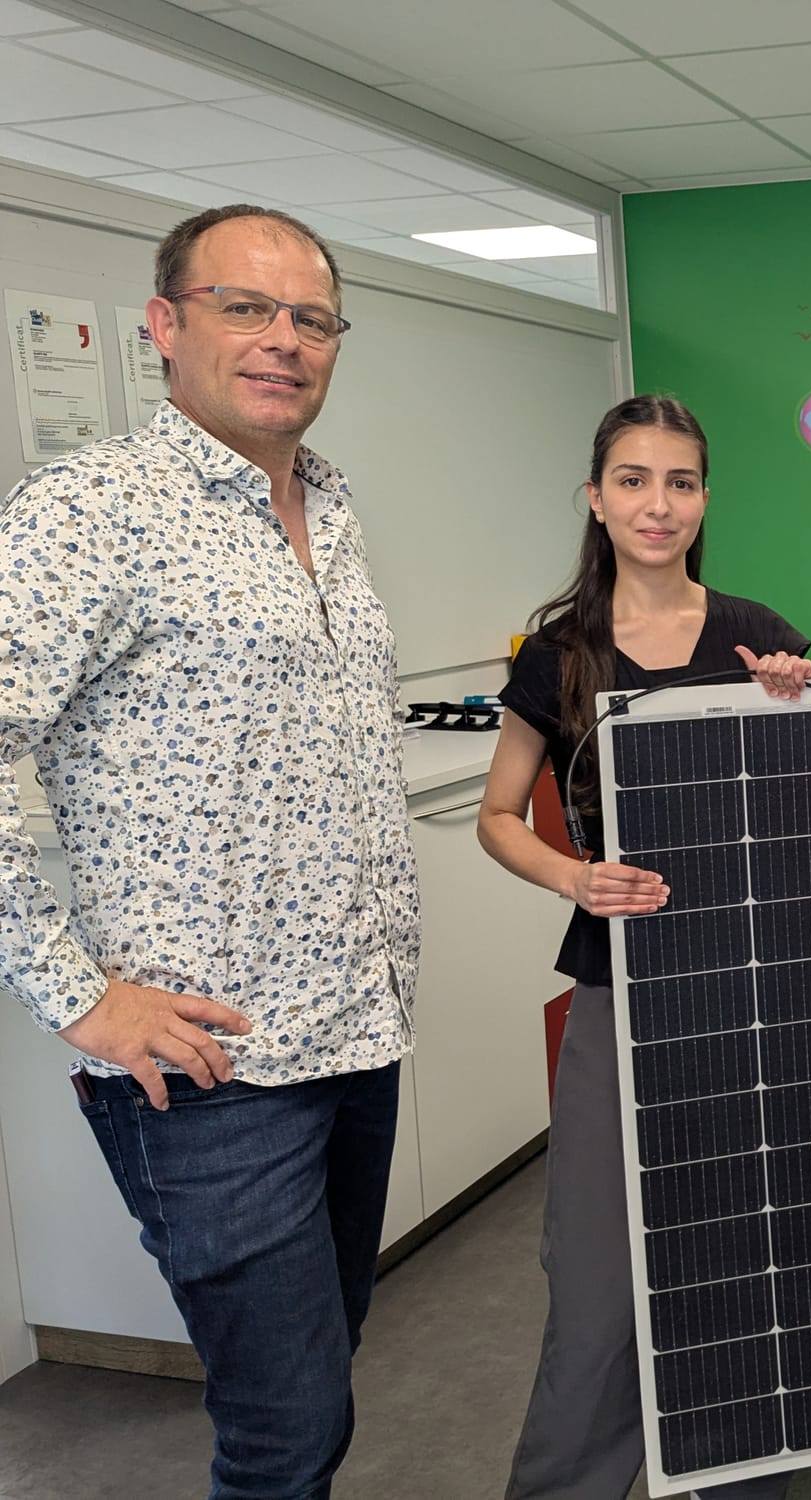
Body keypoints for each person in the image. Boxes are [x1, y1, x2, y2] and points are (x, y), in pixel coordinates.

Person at [0, 205, 418, 1496]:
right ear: (165, 326)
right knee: (283, 1433)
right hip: (212, 1070)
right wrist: (74, 992)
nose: (284, 339)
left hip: (356, 1036)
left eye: (312, 318)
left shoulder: (329, 507)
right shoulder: (89, 512)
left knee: (321, 1390)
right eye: (245, 307)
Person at [480, 395, 808, 1500]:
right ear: (595, 498)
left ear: (704, 498)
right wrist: (574, 877)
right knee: (597, 1268)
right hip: (619, 985)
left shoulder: (762, 636)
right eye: (632, 480)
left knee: (748, 1247)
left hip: (755, 981)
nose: (656, 504)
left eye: (679, 482)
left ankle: (741, 1470)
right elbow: (498, 818)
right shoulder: (556, 654)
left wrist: (796, 709)